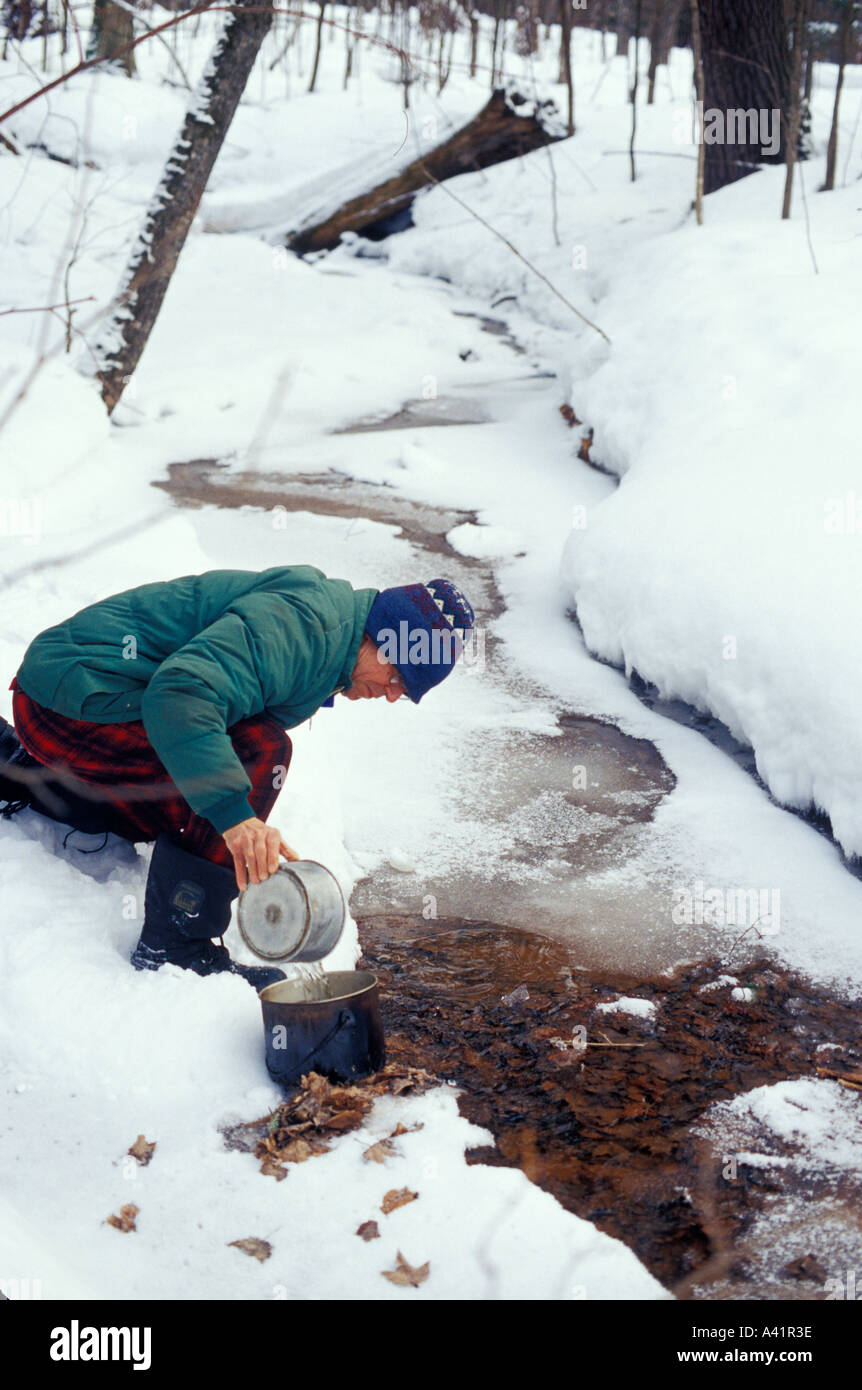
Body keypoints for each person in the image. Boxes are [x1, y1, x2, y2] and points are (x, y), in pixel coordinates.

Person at [0, 566, 475, 990]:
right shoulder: (302, 628)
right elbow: (181, 696)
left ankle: (23, 773)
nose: (393, 695)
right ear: (384, 637)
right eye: (400, 676)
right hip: (72, 700)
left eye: (407, 691)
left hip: (72, 695)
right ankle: (175, 945)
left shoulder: (336, 636)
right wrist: (234, 819)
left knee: (186, 807)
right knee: (259, 754)